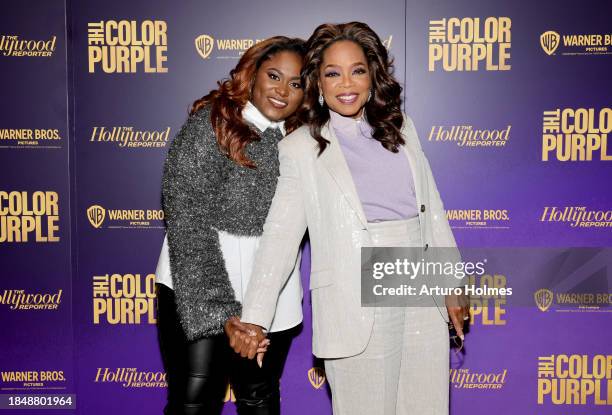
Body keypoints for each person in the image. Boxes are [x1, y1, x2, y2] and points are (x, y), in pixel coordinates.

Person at [227, 22, 469, 415]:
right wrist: (255, 319)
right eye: (332, 73)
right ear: (318, 84)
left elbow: (432, 210)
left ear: (372, 75)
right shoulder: (301, 148)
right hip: (354, 290)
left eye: (357, 70)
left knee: (427, 406)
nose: (346, 83)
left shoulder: (401, 128)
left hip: (419, 280)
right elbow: (280, 239)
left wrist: (451, 282)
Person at [158, 36, 306, 415]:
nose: (282, 90)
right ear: (251, 73)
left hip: (274, 288)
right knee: (194, 402)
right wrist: (221, 312)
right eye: (274, 75)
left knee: (259, 400)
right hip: (196, 283)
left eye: (297, 83)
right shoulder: (212, 124)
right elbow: (186, 218)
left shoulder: (307, 142)